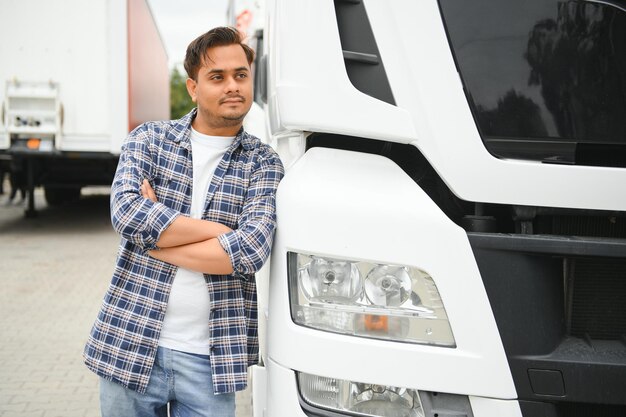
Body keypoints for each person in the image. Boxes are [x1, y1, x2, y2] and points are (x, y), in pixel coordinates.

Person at [84, 26, 284, 417]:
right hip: (131, 342)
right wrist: (220, 232)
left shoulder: (264, 162)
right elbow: (126, 213)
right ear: (193, 87)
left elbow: (248, 253)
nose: (233, 86)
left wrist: (154, 240)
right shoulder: (149, 140)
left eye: (240, 75)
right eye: (217, 77)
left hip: (211, 360)